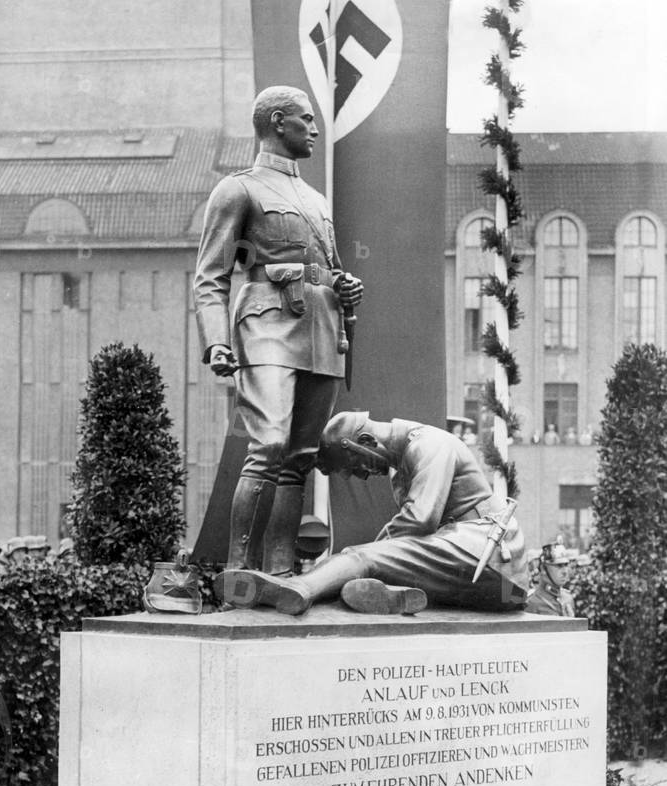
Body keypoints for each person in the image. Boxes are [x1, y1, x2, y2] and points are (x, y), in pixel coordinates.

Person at [193, 85, 363, 576]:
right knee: (267, 444)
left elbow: (327, 266)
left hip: (322, 329)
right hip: (266, 325)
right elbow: (210, 276)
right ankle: (240, 574)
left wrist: (343, 285)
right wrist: (217, 341)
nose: (314, 129)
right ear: (276, 122)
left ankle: (282, 571)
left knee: (300, 456)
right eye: (305, 120)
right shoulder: (238, 189)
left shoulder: (316, 200)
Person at [215, 412, 529, 615]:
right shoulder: (403, 467)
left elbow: (421, 520)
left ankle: (299, 589)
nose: (363, 476)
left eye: (355, 466)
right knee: (362, 572)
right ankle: (396, 598)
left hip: (491, 555)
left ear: (365, 441)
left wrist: (365, 556)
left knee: (363, 559)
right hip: (486, 577)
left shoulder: (430, 444)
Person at [526, 539, 575, 617]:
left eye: (565, 565)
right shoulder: (531, 603)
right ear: (543, 569)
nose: (565, 571)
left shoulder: (568, 599)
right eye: (559, 566)